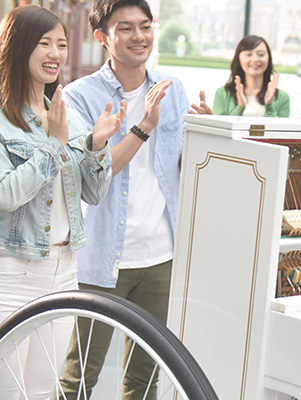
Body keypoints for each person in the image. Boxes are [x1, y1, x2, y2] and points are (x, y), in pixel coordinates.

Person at [56, 0, 190, 398]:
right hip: (102, 257)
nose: (139, 37)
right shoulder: (79, 96)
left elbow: (181, 165)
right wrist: (143, 126)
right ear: (102, 37)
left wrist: (208, 133)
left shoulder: (173, 89)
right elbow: (94, 175)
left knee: (144, 378)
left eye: (145, 26)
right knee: (79, 375)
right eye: (126, 28)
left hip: (161, 255)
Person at [0, 5, 124, 398]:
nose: (56, 53)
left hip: (63, 270)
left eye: (62, 44)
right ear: (18, 48)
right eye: (44, 43)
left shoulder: (63, 112)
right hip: (12, 273)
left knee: (41, 391)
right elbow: (6, 195)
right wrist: (54, 144)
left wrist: (97, 145)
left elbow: (94, 192)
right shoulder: (5, 117)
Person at [189, 35, 289, 117]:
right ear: (239, 59)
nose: (255, 59)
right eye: (248, 54)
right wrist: (240, 107)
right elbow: (221, 134)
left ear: (269, 59)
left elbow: (281, 136)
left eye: (261, 54)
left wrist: (269, 106)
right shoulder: (223, 94)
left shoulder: (282, 97)